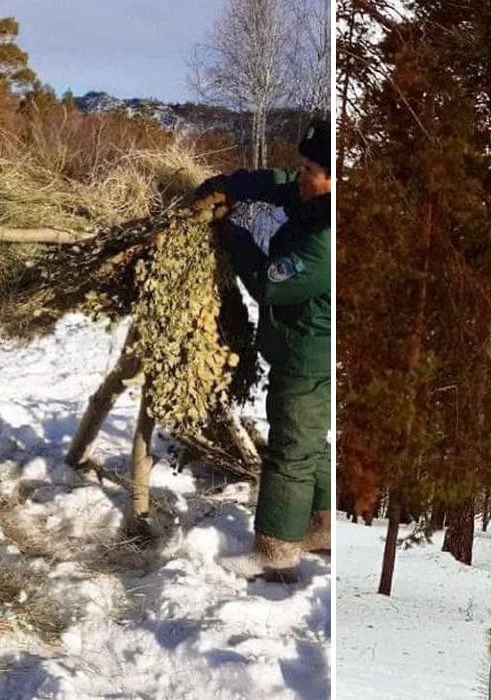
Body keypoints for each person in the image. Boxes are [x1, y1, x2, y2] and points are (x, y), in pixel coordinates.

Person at [195, 118, 332, 581]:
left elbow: (270, 285)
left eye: (311, 167)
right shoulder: (318, 202)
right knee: (309, 443)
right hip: (306, 351)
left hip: (305, 358)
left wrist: (236, 239)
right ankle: (321, 524)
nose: (301, 174)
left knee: (289, 450)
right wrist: (227, 185)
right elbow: (277, 182)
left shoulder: (323, 239)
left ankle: (275, 551)